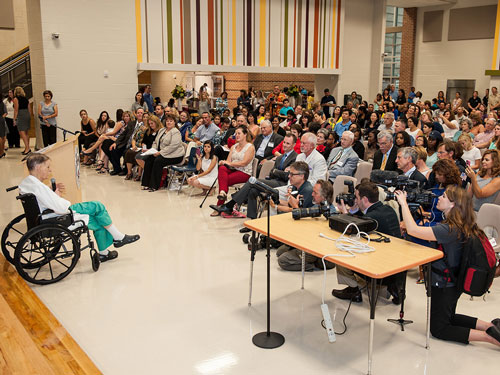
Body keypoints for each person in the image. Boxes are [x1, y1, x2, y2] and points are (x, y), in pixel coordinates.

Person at [395, 185, 500, 347]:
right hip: (455, 280)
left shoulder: (448, 229)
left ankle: (490, 337)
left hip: (444, 283)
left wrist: (403, 203)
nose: (439, 198)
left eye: (443, 196)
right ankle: (491, 326)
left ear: (453, 204)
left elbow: (412, 229)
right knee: (449, 316)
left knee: (439, 329)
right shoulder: (464, 224)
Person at [19, 153, 140, 262]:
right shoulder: (39, 187)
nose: (50, 171)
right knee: (98, 206)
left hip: (45, 216)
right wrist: (57, 196)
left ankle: (106, 251)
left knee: (99, 221)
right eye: (47, 167)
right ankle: (117, 238)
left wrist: (50, 191)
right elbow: (61, 208)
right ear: (39, 167)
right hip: (58, 216)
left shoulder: (27, 183)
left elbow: (44, 199)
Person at [332, 180, 401, 302]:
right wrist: (353, 211)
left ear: (364, 199)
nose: (356, 200)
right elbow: (365, 220)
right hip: (397, 267)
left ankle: (353, 290)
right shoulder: (388, 209)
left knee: (340, 252)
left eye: (357, 198)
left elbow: (351, 232)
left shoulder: (371, 218)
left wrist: (345, 214)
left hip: (380, 269)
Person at [211, 133, 298, 220]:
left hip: (283, 185)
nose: (285, 145)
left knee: (253, 180)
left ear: (294, 145)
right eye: (284, 142)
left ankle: (229, 205)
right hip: (273, 181)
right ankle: (251, 220)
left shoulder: (295, 157)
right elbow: (272, 172)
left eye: (288, 143)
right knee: (253, 190)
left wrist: (277, 172)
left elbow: (288, 176)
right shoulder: (280, 157)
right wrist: (278, 172)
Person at [276, 179, 336, 271]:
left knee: (283, 261)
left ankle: (315, 266)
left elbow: (316, 235)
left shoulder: (331, 214)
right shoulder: (316, 206)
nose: (312, 194)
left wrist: (296, 207)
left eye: (315, 193)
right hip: (308, 242)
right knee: (280, 252)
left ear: (324, 197)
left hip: (317, 248)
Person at [211, 126, 255, 214]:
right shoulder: (234, 147)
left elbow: (244, 163)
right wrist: (224, 162)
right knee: (222, 168)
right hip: (233, 169)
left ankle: (219, 205)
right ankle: (223, 194)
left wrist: (230, 164)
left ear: (245, 134)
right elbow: (228, 161)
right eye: (236, 133)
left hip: (244, 172)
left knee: (223, 180)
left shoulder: (250, 147)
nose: (237, 135)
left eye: (239, 133)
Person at [141, 114, 184, 192]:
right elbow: (155, 142)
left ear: (174, 122)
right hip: (163, 153)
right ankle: (146, 184)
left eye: (171, 121)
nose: (169, 122)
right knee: (149, 159)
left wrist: (160, 153)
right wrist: (153, 150)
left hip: (175, 155)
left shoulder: (175, 132)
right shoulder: (162, 130)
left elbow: (173, 146)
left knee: (158, 161)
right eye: (167, 121)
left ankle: (154, 186)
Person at [13, 86, 32, 155]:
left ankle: (27, 148)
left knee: (21, 132)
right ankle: (28, 147)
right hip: (27, 114)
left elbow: (16, 110)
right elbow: (29, 109)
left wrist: (14, 119)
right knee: (26, 132)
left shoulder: (15, 99)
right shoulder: (26, 99)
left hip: (21, 114)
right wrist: (29, 116)